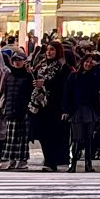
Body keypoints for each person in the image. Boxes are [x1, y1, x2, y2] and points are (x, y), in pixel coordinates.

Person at [30, 41, 69, 172]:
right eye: (47, 50)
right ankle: (48, 158)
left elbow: (62, 86)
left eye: (52, 50)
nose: (49, 52)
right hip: (40, 105)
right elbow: (35, 79)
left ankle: (52, 161)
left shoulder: (62, 67)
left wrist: (45, 83)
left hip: (54, 105)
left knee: (53, 134)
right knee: (42, 134)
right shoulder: (41, 65)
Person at [62, 54, 100, 172]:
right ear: (82, 62)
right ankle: (73, 164)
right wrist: (65, 110)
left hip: (91, 109)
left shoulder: (94, 76)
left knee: (89, 138)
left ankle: (88, 164)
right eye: (87, 61)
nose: (88, 64)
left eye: (91, 62)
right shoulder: (73, 76)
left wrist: (97, 67)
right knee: (76, 138)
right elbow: (67, 94)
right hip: (76, 110)